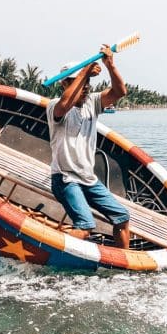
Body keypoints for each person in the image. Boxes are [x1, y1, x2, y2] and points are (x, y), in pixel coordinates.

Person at [46, 44, 131, 248]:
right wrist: (85, 72)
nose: (84, 87)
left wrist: (110, 65)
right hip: (65, 179)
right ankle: (47, 245)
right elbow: (65, 105)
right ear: (64, 84)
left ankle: (125, 263)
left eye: (86, 83)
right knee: (85, 227)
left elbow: (120, 91)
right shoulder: (54, 106)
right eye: (77, 82)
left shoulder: (92, 102)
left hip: (88, 179)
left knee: (122, 217)